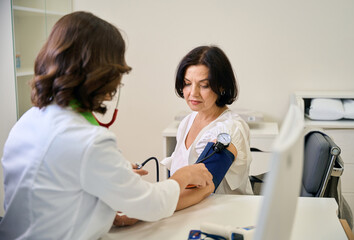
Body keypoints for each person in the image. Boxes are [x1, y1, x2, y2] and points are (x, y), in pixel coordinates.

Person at [0, 12, 213, 240]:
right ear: (104, 74)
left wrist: (107, 181)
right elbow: (152, 204)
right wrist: (183, 176)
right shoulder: (88, 140)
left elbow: (52, 191)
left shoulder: (28, 120)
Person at [161, 46, 253, 195]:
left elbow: (202, 189)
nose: (193, 93)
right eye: (187, 83)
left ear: (221, 86)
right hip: (188, 213)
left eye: (204, 85)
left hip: (220, 215)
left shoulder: (229, 129)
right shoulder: (187, 122)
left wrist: (151, 204)